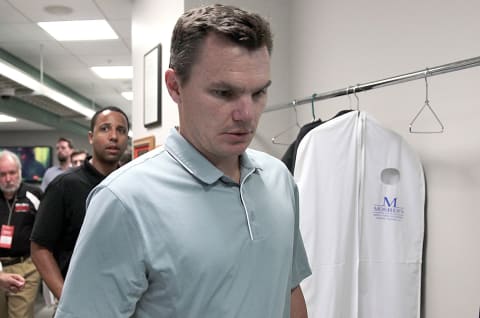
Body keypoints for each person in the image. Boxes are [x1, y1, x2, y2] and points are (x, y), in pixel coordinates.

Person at [55, 4, 311, 318]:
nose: (247, 114)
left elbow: (289, 289)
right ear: (175, 86)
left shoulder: (278, 179)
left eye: (258, 93)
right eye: (223, 92)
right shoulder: (123, 202)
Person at [30, 106, 129, 301]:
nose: (114, 136)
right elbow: (39, 249)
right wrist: (67, 300)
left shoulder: (133, 183)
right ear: (91, 137)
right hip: (81, 300)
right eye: (105, 128)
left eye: (121, 130)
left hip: (126, 301)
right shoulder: (64, 186)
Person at [0, 150, 42, 318]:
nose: (8, 179)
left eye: (12, 173)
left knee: (20, 315)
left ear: (20, 172)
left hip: (26, 266)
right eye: (2, 174)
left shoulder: (34, 195)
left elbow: (46, 232)